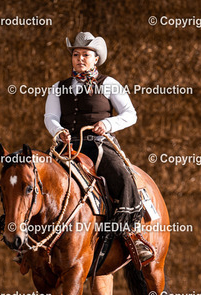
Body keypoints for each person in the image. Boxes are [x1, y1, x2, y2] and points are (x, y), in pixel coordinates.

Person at [44, 31, 152, 262]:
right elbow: (50, 116)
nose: (80, 59)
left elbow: (130, 114)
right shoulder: (58, 87)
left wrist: (107, 124)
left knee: (122, 176)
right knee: (35, 177)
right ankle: (29, 242)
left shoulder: (109, 84)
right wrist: (58, 131)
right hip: (67, 148)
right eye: (76, 54)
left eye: (85, 54)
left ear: (96, 59)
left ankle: (132, 235)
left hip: (98, 145)